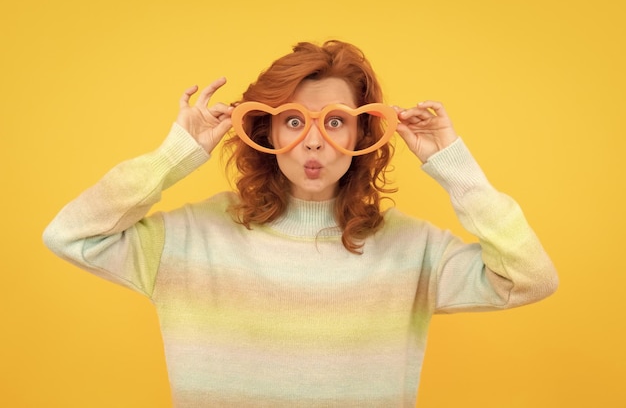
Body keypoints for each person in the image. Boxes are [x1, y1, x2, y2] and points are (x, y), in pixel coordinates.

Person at [43, 40, 558, 407]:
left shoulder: (412, 249)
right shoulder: (190, 238)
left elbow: (530, 277)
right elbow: (70, 235)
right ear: (265, 129)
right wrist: (174, 156)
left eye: (335, 121)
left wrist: (453, 165)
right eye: (294, 120)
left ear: (362, 135)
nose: (314, 141)